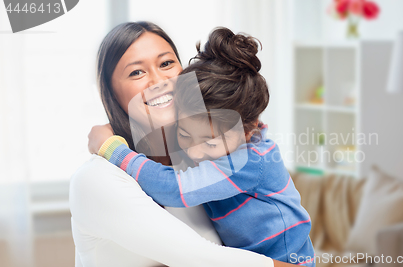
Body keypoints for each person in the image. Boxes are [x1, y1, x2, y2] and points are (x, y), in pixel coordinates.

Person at [70, 21, 303, 267]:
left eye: (166, 63)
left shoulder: (200, 159)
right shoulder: (96, 178)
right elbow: (201, 259)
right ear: (110, 92)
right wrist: (111, 148)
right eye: (136, 72)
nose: (158, 81)